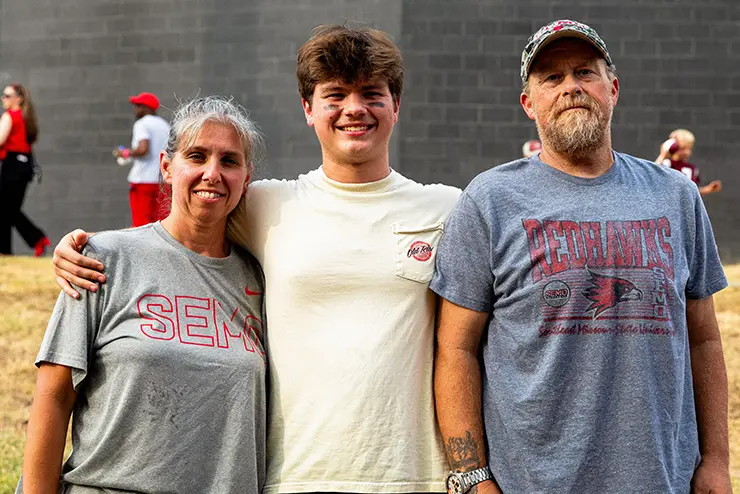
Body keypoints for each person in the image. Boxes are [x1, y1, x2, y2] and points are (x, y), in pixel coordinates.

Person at [52, 25, 459, 493]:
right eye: (335, 95)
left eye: (372, 93)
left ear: (396, 106)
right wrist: (83, 248)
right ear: (308, 109)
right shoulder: (265, 205)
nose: (354, 108)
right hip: (294, 479)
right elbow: (186, 222)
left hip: (419, 478)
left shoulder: (447, 209)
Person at [432, 19, 730, 494]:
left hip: (663, 478)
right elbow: (455, 349)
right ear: (529, 104)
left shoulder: (675, 196)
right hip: (528, 482)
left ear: (613, 88)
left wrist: (715, 460)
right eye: (551, 78)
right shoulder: (490, 200)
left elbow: (704, 341)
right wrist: (471, 477)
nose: (570, 86)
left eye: (585, 73)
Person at [19, 96, 267, 494]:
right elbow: (54, 395)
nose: (212, 173)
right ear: (167, 168)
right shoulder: (102, 259)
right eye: (197, 156)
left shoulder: (262, 279)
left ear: (246, 177)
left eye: (229, 161)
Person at [0, 83, 50, 256]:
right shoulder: (25, 117)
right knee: (9, 209)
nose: (3, 99)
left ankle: (11, 248)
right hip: (24, 166)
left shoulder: (10, 116)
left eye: (7, 96)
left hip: (12, 165)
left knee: (6, 210)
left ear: (18, 99)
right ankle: (35, 239)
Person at [114, 91, 170, 226]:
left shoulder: (142, 124)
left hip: (142, 181)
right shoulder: (165, 125)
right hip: (162, 181)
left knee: (141, 224)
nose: (136, 109)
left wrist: (126, 153)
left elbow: (143, 149)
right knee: (161, 224)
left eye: (138, 105)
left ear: (147, 108)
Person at [655, 128, 723, 196]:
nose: (687, 152)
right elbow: (653, 173)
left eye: (689, 148)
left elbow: (693, 192)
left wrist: (708, 189)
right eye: (682, 148)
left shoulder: (692, 169)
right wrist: (663, 154)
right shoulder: (667, 164)